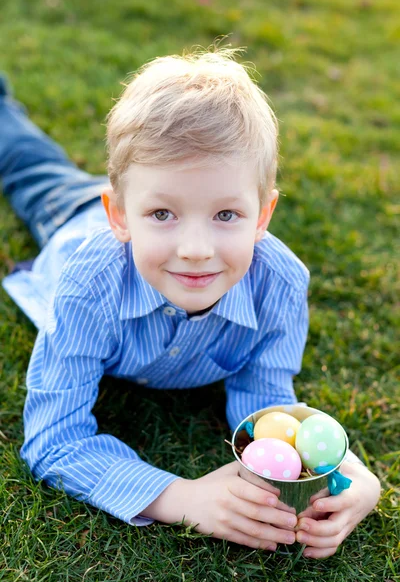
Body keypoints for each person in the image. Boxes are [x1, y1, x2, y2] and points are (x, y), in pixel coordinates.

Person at [0, 48, 381, 559]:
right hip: (73, 222)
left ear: (263, 214)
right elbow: (54, 438)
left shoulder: (281, 284)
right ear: (121, 216)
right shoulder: (88, 285)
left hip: (131, 203)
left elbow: (265, 395)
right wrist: (182, 496)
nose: (196, 248)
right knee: (28, 165)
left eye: (226, 214)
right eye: (164, 214)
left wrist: (354, 480)